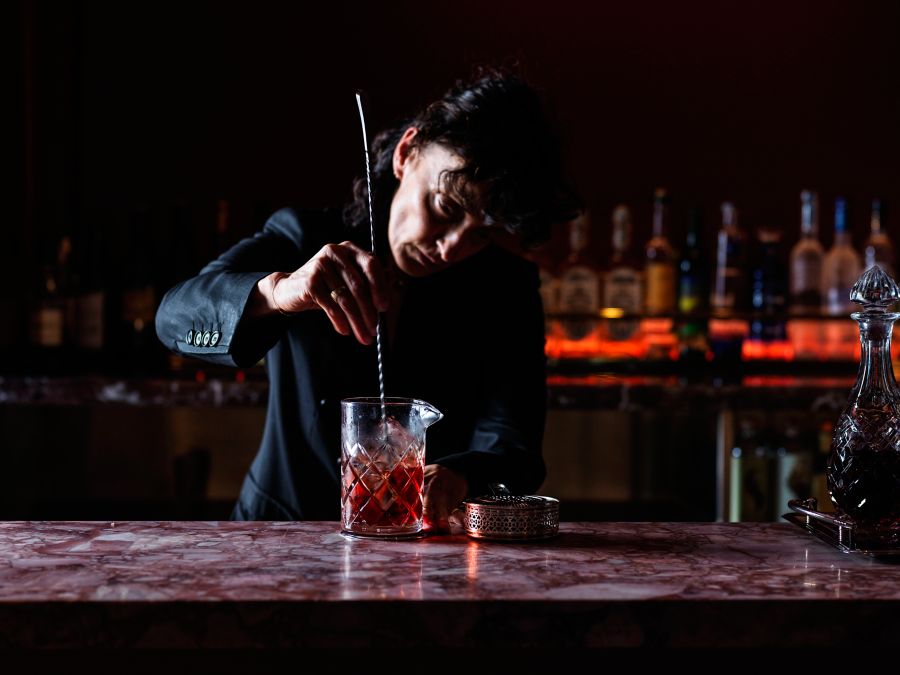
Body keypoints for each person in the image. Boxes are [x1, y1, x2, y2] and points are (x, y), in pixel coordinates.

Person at [155, 69, 580, 529]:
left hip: (422, 547)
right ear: (406, 154)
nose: (451, 247)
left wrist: (461, 473)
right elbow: (173, 318)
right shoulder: (304, 238)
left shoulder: (505, 285)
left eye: (482, 233)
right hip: (280, 531)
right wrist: (279, 291)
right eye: (446, 208)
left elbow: (514, 444)